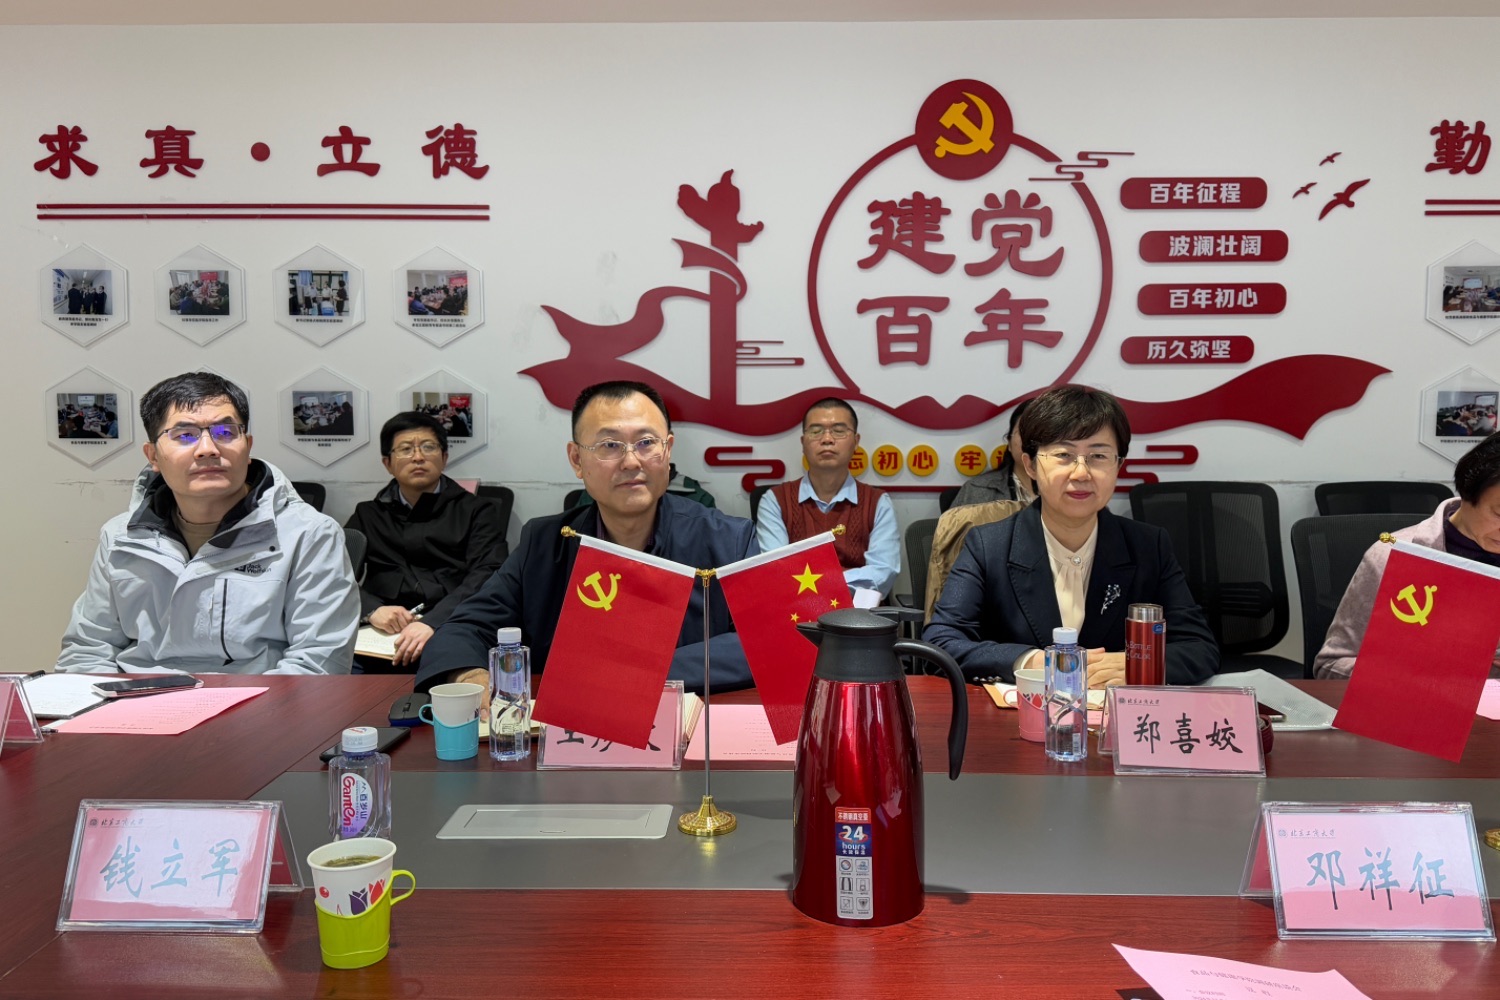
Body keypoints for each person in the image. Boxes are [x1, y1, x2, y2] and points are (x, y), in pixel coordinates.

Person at [416, 380, 756, 694]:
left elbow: (764, 641)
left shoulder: (728, 539)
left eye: (646, 443)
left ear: (667, 452)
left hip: (693, 728)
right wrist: (470, 677)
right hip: (571, 732)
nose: (631, 461)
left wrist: (636, 672)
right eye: (610, 445)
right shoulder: (545, 544)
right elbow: (464, 628)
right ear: (577, 460)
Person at [56, 372, 359, 675]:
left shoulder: (309, 534)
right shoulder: (120, 537)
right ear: (153, 456)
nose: (208, 449)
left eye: (226, 432)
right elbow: (87, 651)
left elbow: (318, 665)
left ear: (247, 447)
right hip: (139, 698)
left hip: (262, 699)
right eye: (184, 435)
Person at [924, 384, 1217, 686]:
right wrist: (1031, 661)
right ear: (1031, 465)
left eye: (1098, 456)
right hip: (1025, 710)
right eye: (1064, 455)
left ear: (1118, 465)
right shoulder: (989, 546)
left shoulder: (1147, 546)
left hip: (1114, 710)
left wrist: (1139, 664)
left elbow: (1199, 647)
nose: (1081, 473)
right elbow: (942, 642)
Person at [1315, 432, 1500, 679]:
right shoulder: (1393, 557)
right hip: (1420, 696)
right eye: (1499, 513)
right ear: (1468, 493)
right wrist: (1407, 676)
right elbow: (1330, 666)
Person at [345, 412, 507, 671]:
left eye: (428, 447)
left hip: (454, 623)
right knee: (341, 674)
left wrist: (433, 621)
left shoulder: (477, 510)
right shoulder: (368, 514)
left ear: (444, 457)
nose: (418, 457)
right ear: (388, 463)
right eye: (405, 449)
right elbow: (334, 574)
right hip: (381, 633)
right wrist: (372, 610)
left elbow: (488, 572)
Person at [755, 397, 899, 598]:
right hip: (796, 611)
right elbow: (776, 571)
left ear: (856, 441)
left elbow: (883, 573)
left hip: (860, 613)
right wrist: (843, 578)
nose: (827, 439)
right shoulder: (775, 501)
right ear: (803, 443)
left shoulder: (877, 502)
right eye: (816, 431)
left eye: (839, 431)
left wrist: (811, 582)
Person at [950, 399, 1037, 509]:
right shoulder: (977, 490)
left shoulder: (1059, 490)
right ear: (1009, 443)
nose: (1032, 440)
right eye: (1024, 432)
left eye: (1043, 433)